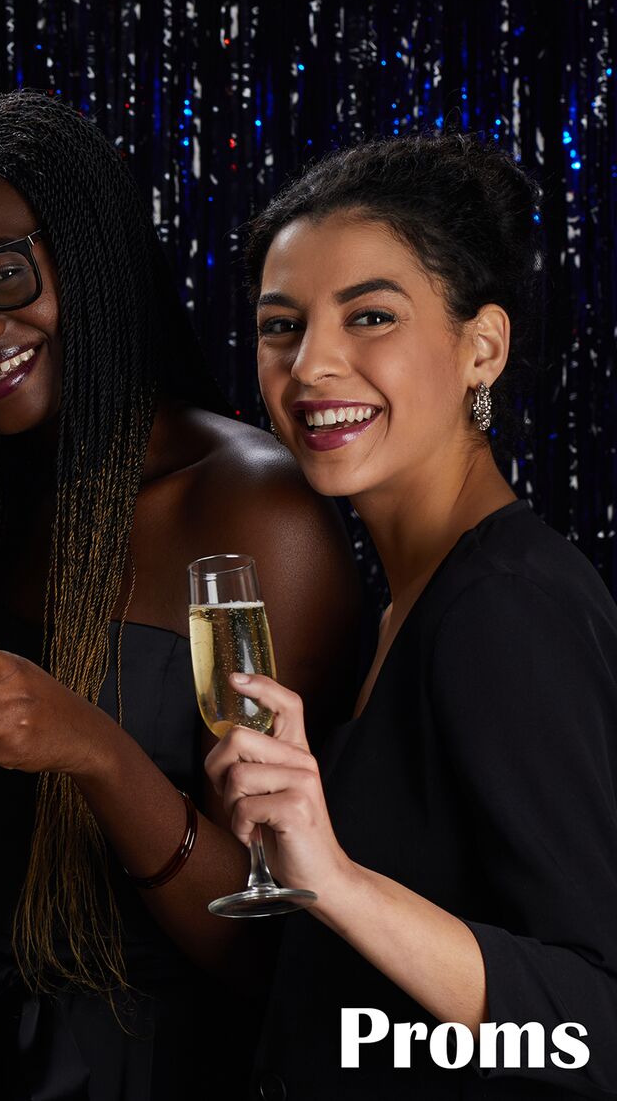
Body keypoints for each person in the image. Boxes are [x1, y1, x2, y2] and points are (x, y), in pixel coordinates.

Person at [0, 90, 364, 1098]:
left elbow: (271, 946)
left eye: (2, 276)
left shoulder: (251, 510)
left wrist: (96, 752)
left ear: (92, 256)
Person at [204, 133, 617, 1098]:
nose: (311, 364)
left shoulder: (505, 611)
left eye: (371, 317)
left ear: (482, 348)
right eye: (281, 326)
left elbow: (596, 1024)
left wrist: (337, 881)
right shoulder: (399, 604)